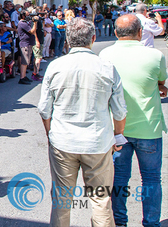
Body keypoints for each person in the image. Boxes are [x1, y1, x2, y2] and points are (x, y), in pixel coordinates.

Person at [37, 17, 127, 227]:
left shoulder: (55, 66)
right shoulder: (106, 67)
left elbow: (44, 109)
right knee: (101, 199)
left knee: (61, 199)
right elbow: (120, 111)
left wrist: (50, 135)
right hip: (98, 142)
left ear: (67, 40)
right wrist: (117, 135)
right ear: (93, 39)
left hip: (63, 142)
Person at [99, 15, 167, 227]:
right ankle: (152, 223)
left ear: (116, 33)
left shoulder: (104, 55)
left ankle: (120, 222)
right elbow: (159, 81)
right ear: (140, 33)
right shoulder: (155, 56)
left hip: (117, 128)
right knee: (151, 180)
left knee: (119, 180)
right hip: (149, 128)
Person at [17, 10, 37, 84]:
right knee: (24, 61)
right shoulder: (22, 23)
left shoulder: (25, 23)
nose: (29, 16)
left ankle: (24, 76)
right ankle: (22, 77)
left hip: (28, 43)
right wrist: (35, 23)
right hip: (25, 44)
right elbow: (32, 31)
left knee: (27, 61)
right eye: (28, 15)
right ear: (23, 16)